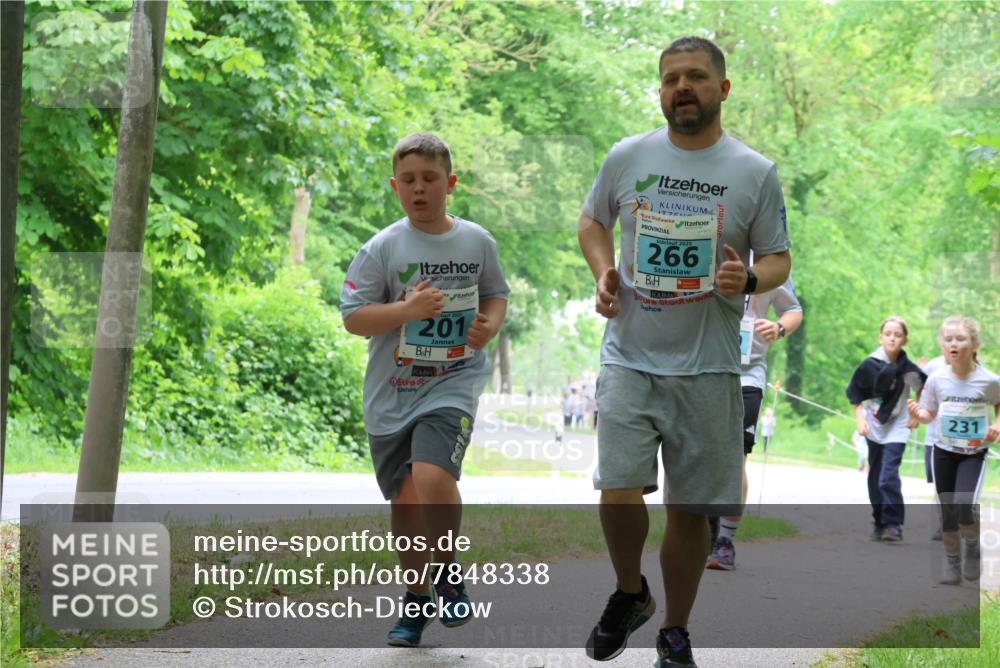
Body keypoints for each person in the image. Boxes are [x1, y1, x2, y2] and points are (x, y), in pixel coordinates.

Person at [578, 36, 792, 667]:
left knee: (688, 509)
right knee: (618, 491)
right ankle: (629, 592)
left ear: (721, 89)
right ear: (661, 90)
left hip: (710, 365)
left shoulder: (753, 172)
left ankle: (674, 629)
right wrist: (601, 272)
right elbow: (593, 221)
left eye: (696, 77)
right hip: (630, 356)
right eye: (671, 78)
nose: (682, 88)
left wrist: (749, 279)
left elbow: (778, 258)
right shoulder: (629, 155)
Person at [340, 132, 509, 647]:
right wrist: (407, 311)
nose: (419, 190)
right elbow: (354, 318)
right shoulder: (383, 247)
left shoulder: (477, 241)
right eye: (408, 181)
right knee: (407, 502)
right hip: (393, 393)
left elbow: (496, 294)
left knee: (433, 474)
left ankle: (448, 571)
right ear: (395, 186)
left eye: (429, 179)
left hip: (452, 383)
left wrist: (489, 326)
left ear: (449, 184)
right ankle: (415, 600)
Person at [707, 278, 802, 571]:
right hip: (703, 370)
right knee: (705, 456)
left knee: (736, 457)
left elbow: (793, 310)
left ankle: (724, 541)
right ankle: (706, 529)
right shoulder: (708, 246)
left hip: (748, 375)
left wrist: (779, 327)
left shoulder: (772, 263)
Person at [909, 316, 999, 585]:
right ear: (941, 344)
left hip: (973, 453)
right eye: (948, 339)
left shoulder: (989, 381)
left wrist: (997, 425)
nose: (953, 344)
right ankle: (952, 564)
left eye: (960, 338)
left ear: (975, 344)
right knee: (947, 511)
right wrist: (917, 413)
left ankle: (972, 547)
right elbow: (928, 413)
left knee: (964, 506)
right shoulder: (936, 380)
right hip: (943, 450)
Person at [846, 316, 926, 543]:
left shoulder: (908, 369)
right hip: (873, 424)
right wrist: (859, 420)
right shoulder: (869, 364)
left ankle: (893, 524)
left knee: (888, 475)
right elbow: (855, 394)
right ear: (880, 337)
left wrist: (915, 412)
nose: (892, 338)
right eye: (888, 333)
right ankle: (879, 521)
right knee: (875, 478)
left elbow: (922, 389)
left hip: (898, 425)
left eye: (898, 334)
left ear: (905, 340)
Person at [920, 353, 948, 540]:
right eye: (948, 339)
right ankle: (944, 521)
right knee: (940, 483)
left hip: (962, 442)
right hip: (933, 437)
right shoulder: (933, 367)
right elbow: (919, 389)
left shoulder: (975, 370)